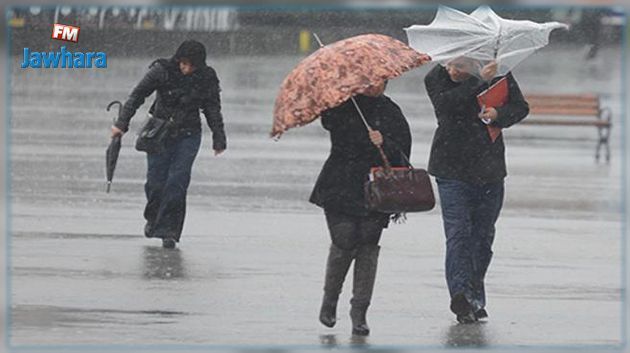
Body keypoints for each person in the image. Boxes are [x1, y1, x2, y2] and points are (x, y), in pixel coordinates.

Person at [424, 57, 529, 323]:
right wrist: (480, 80)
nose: (452, 70)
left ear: (472, 61)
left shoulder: (500, 74)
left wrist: (499, 115)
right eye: (450, 64)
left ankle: (474, 296)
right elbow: (447, 104)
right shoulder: (435, 78)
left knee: (482, 238)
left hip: (489, 168)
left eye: (459, 65)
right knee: (458, 233)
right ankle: (460, 295)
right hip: (451, 168)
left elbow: (520, 107)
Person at [310, 82, 411, 336]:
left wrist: (383, 141)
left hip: (376, 188)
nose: (375, 86)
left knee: (367, 246)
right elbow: (329, 122)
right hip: (339, 182)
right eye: (369, 81)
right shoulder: (342, 104)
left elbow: (402, 152)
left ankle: (360, 310)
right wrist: (336, 95)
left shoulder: (390, 110)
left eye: (381, 82)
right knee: (344, 241)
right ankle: (330, 299)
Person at [111, 40, 226, 249]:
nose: (187, 69)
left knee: (178, 181)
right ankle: (153, 218)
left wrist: (219, 137)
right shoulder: (161, 70)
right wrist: (122, 123)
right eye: (184, 64)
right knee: (156, 182)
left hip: (189, 135)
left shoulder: (207, 78)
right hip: (159, 133)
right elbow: (138, 95)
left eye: (192, 65)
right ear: (178, 60)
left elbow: (212, 109)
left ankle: (170, 231)